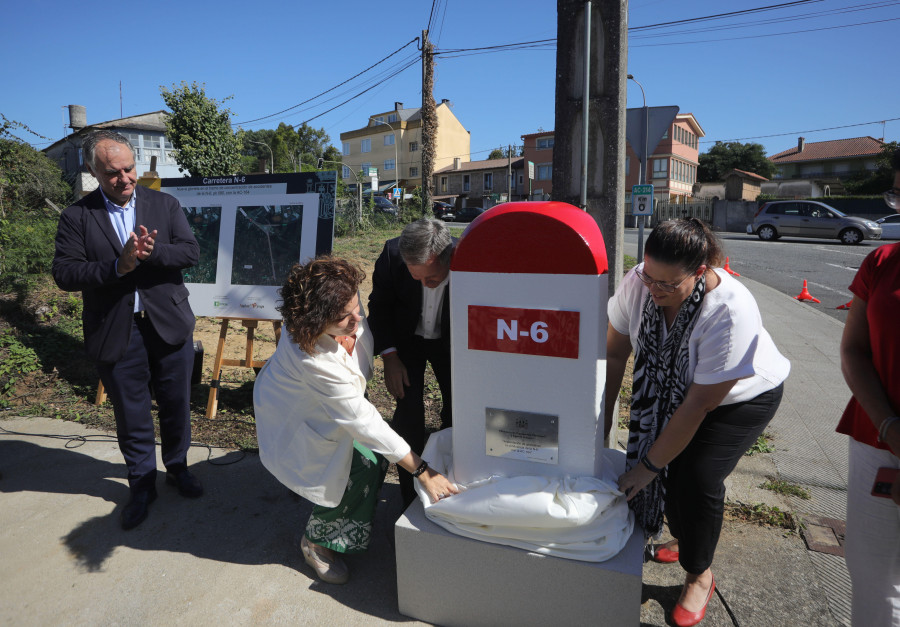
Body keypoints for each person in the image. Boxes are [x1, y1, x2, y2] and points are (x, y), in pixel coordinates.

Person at [606, 218, 789, 627]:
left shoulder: (730, 309)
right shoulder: (638, 284)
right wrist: (600, 426)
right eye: (650, 277)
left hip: (741, 400)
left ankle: (698, 574)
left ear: (701, 271)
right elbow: (615, 353)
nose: (655, 291)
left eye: (669, 285)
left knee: (695, 479)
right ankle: (684, 539)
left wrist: (648, 467)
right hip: (682, 397)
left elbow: (699, 405)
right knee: (666, 472)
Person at [253, 257, 458, 585]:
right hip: (300, 414)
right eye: (344, 317)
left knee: (373, 459)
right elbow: (363, 421)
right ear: (316, 323)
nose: (357, 318)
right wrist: (423, 471)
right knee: (361, 464)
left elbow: (357, 409)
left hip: (335, 404)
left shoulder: (342, 303)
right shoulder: (310, 357)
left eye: (355, 305)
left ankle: (347, 518)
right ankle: (317, 542)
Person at [52, 130, 202, 530]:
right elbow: (65, 273)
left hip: (168, 325)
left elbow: (190, 251)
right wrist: (117, 267)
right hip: (115, 330)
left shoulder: (164, 204)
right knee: (131, 413)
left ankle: (178, 467)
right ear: (93, 172)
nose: (124, 178)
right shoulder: (77, 216)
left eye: (129, 168)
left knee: (175, 404)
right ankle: (141, 485)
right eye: (113, 172)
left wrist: (154, 254)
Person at [839, 147, 900, 625]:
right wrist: (890, 425)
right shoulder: (881, 261)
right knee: (876, 581)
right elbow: (854, 350)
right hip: (879, 441)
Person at [367, 218, 457, 506]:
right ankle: (409, 499)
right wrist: (390, 357)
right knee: (408, 417)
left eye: (432, 279)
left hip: (452, 343)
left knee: (458, 413)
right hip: (406, 342)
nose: (425, 286)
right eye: (415, 278)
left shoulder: (469, 262)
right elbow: (379, 307)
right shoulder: (393, 256)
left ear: (448, 259)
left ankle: (455, 486)